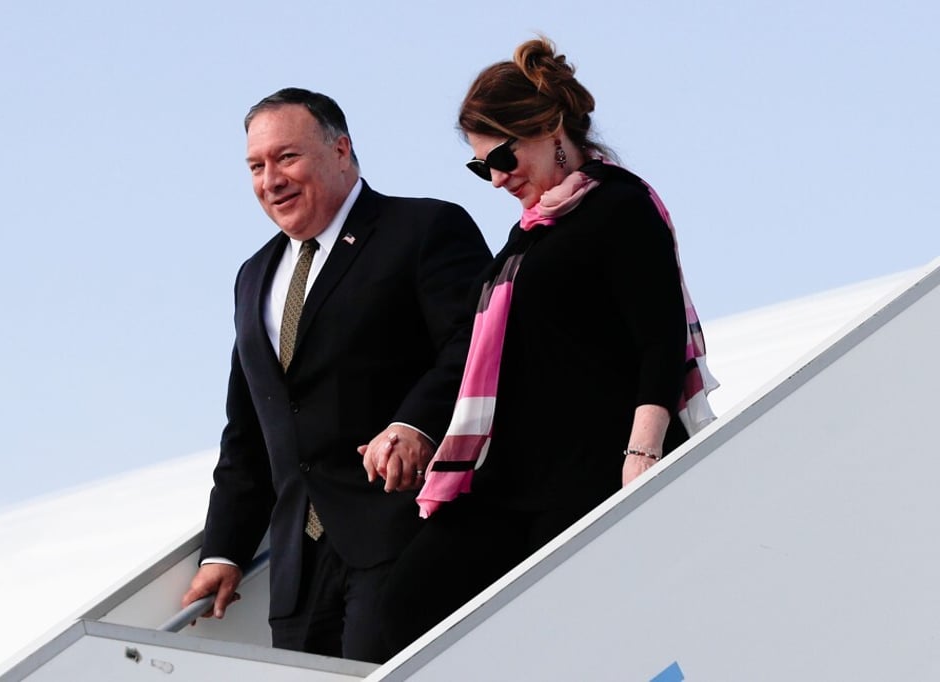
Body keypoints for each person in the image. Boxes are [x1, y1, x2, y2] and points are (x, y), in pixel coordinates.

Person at [372, 36, 718, 652]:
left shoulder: (620, 205)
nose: (496, 178)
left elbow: (660, 341)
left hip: (591, 473)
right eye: (481, 167)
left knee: (567, 641)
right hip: (510, 479)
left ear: (550, 128)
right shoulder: (527, 235)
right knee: (403, 610)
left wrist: (641, 458)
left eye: (503, 156)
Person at [180, 87, 492, 663]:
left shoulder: (424, 228)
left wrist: (416, 424)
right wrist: (223, 551)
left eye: (287, 157)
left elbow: (474, 350)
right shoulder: (253, 276)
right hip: (297, 573)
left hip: (404, 535)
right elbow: (249, 429)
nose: (271, 180)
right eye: (256, 166)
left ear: (341, 150)